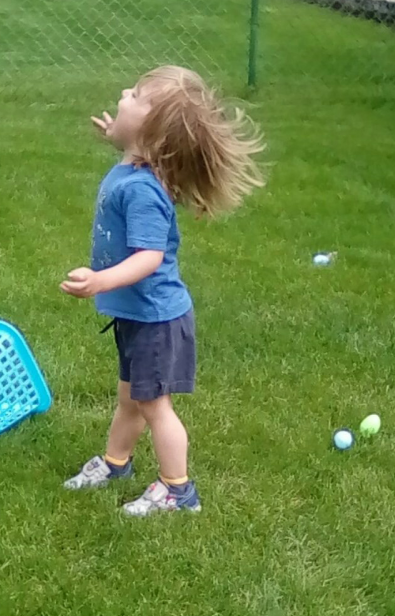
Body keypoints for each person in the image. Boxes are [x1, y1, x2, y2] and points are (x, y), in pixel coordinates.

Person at [60, 65, 264, 516]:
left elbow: (149, 257)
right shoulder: (135, 163)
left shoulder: (143, 192)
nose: (122, 92)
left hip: (156, 318)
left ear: (151, 131)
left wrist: (100, 281)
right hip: (137, 315)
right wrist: (118, 133)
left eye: (133, 94)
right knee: (130, 397)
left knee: (154, 405)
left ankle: (178, 490)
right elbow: (131, 142)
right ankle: (116, 464)